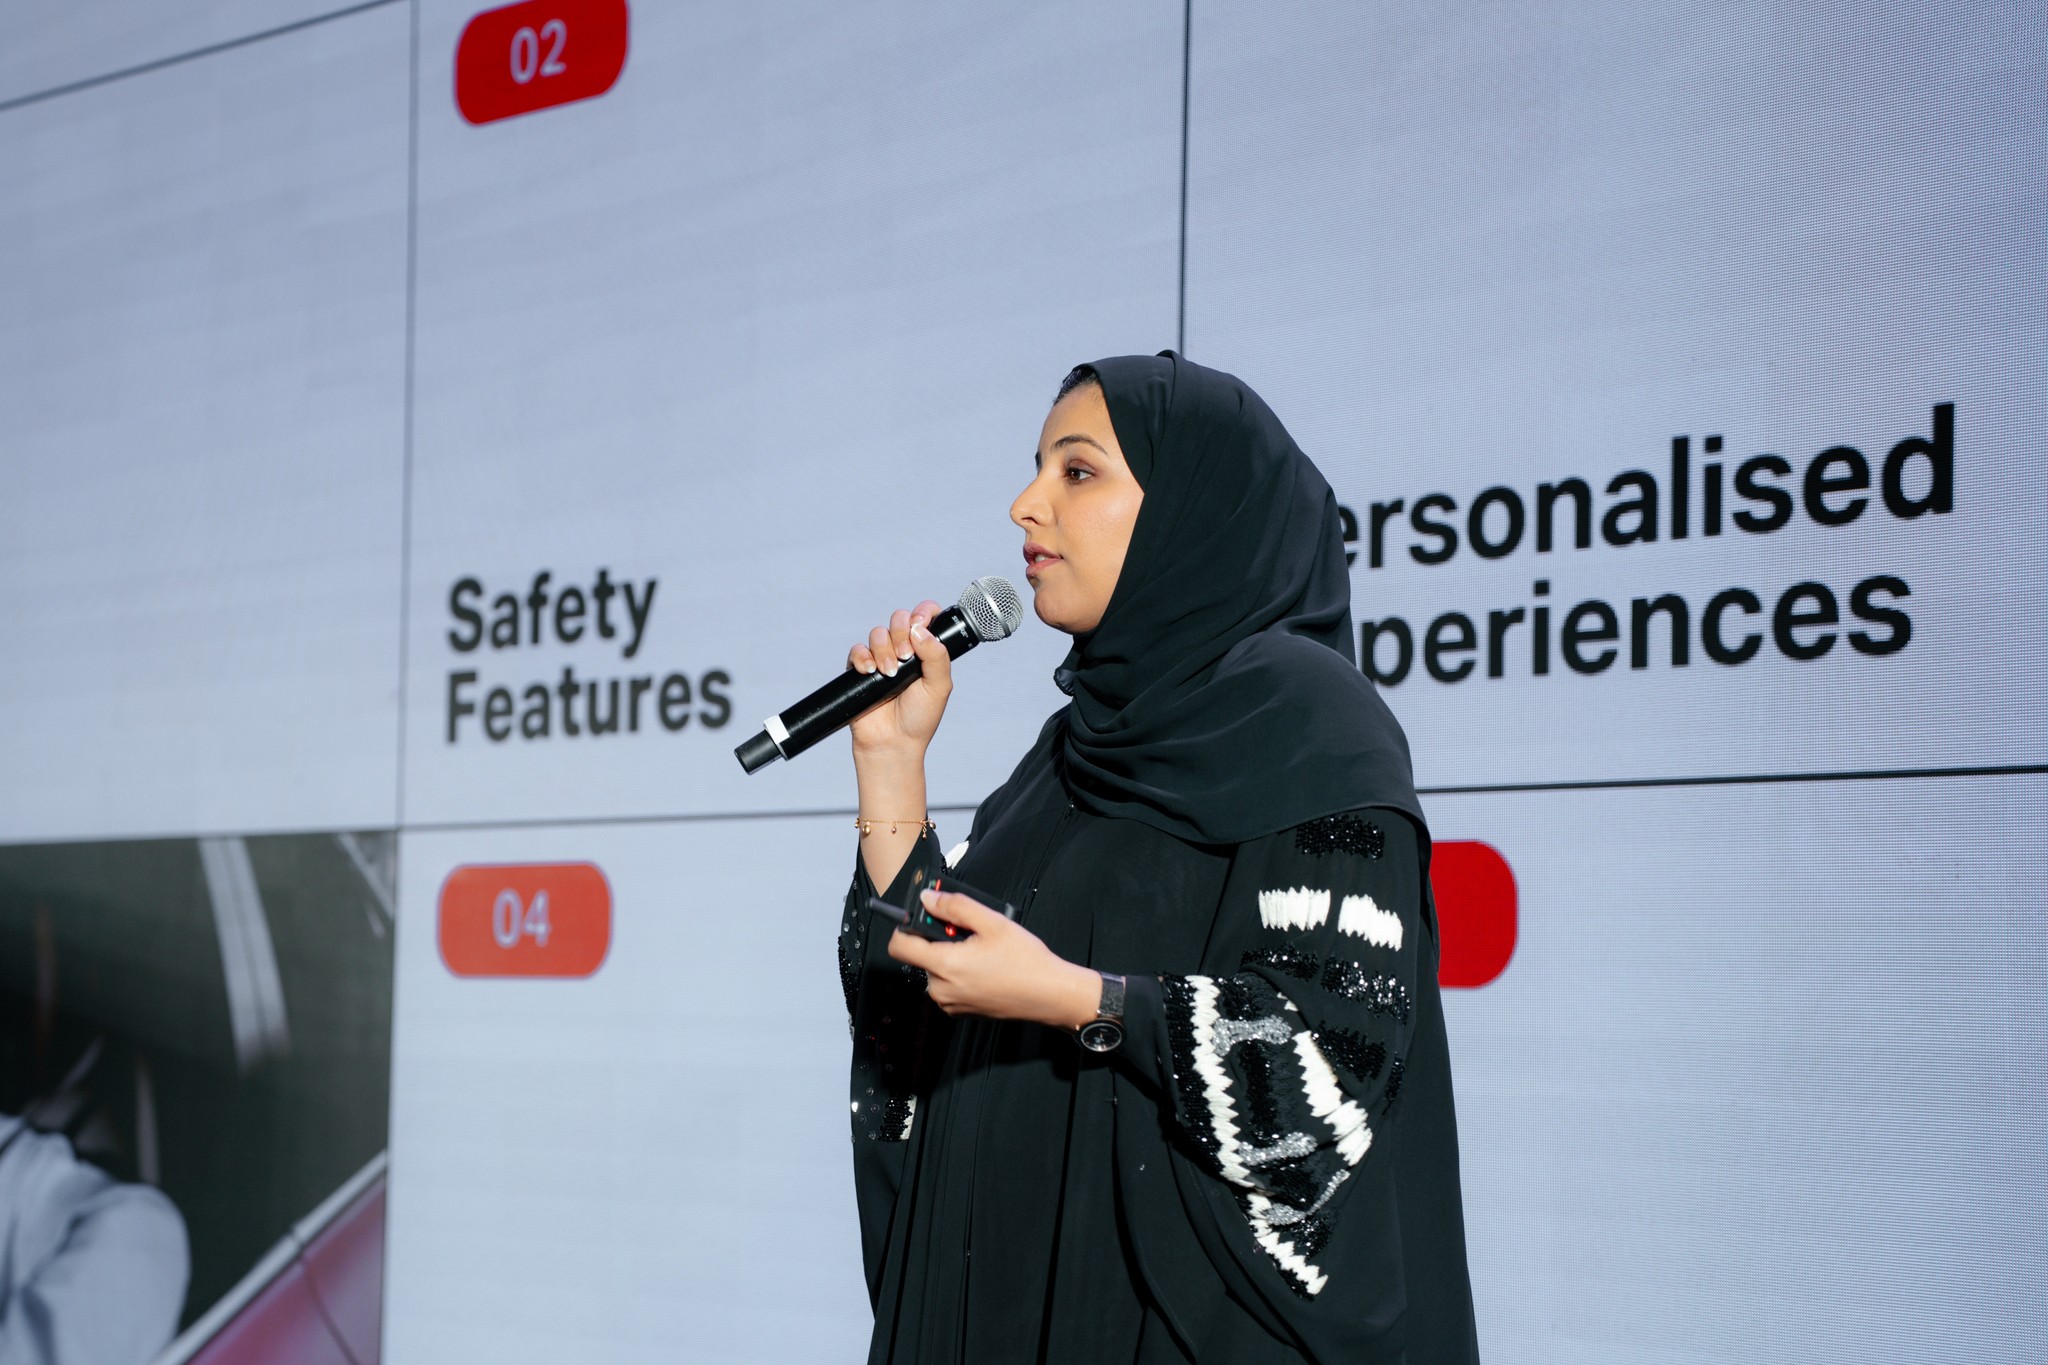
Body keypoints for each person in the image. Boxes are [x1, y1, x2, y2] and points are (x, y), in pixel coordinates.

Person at [836, 352, 1479, 1364]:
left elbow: (1327, 1074)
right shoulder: (1064, 756)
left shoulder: (1312, 724)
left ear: (1193, 510)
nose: (1024, 505)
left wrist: (1080, 1000)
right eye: (1035, 470)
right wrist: (890, 766)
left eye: (1076, 471)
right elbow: (919, 1022)